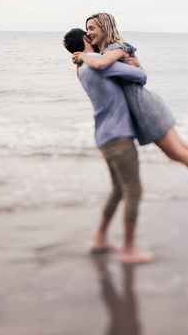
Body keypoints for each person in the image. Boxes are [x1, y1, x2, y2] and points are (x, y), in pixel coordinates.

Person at [72, 13, 188, 215]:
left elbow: (101, 64)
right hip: (141, 108)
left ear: (105, 26)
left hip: (145, 106)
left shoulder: (117, 47)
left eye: (92, 28)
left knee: (177, 152)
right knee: (182, 147)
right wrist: (84, 58)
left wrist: (84, 55)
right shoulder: (104, 53)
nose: (89, 33)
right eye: (87, 30)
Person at [63, 28, 153, 264]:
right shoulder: (96, 64)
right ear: (85, 40)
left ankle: (100, 239)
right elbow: (140, 77)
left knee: (118, 190)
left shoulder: (82, 69)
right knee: (134, 190)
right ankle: (129, 249)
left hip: (103, 136)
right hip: (119, 136)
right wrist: (135, 64)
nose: (92, 36)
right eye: (89, 34)